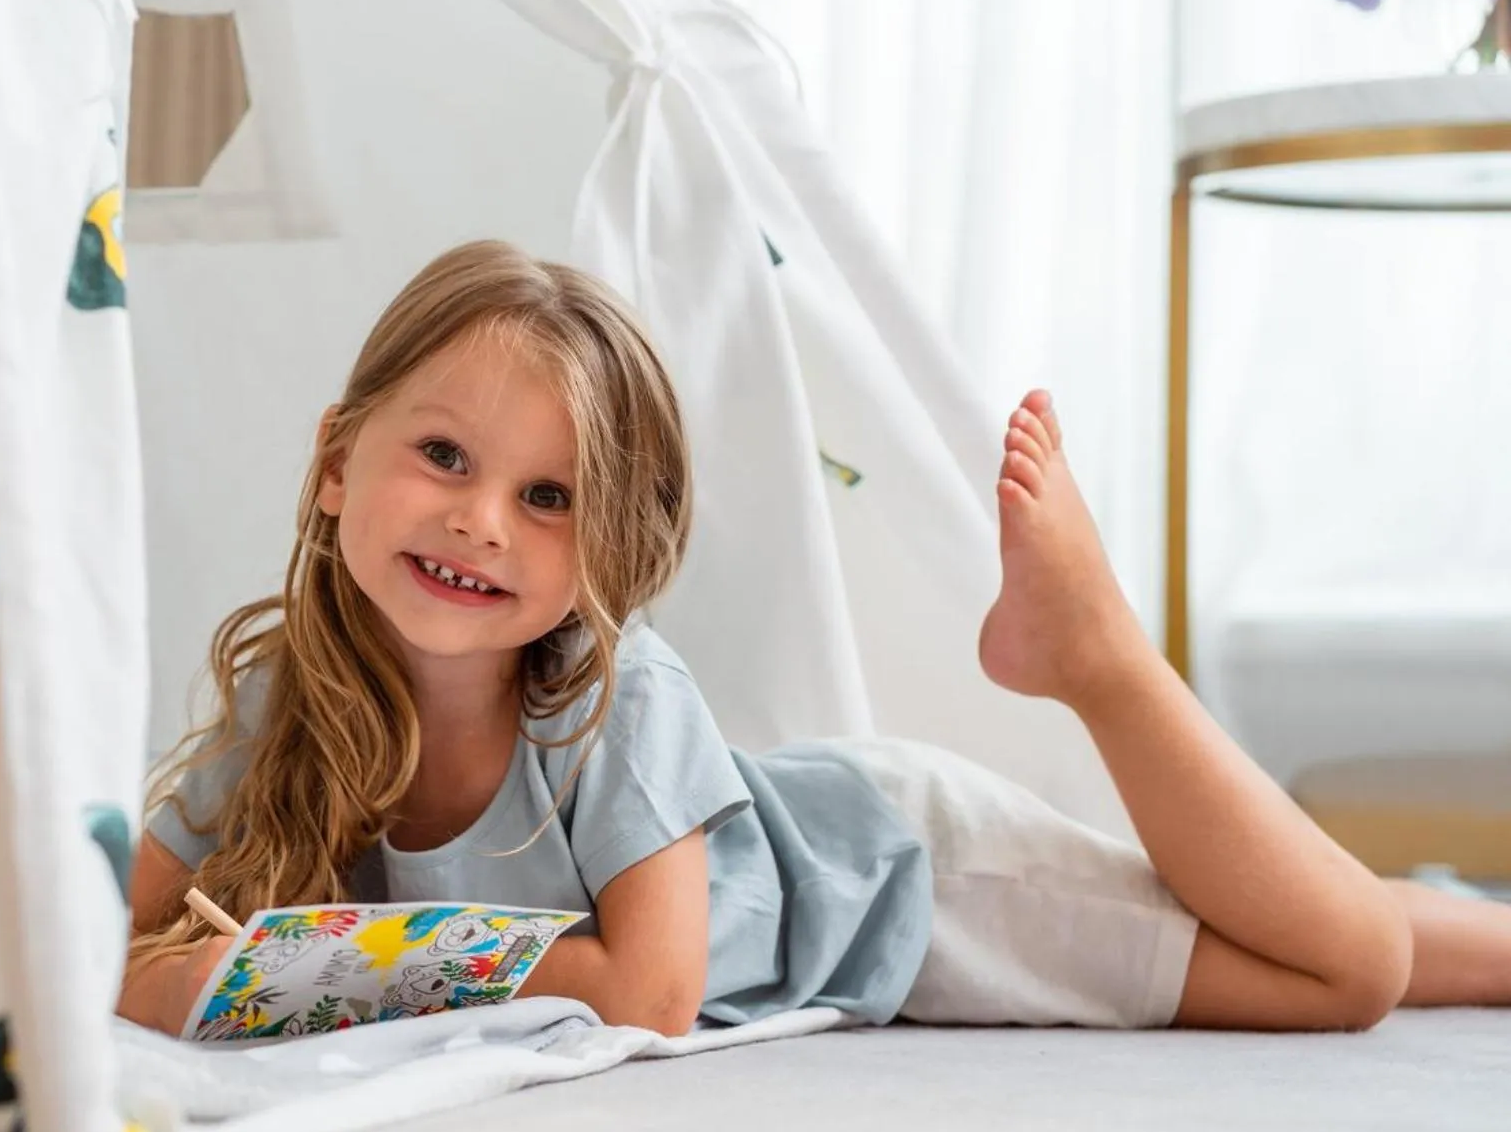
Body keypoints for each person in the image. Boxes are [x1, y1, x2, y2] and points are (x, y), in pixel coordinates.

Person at [118, 239, 1511, 1038]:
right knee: (1287, 923)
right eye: (442, 456)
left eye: (552, 498)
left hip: (903, 881)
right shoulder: (289, 699)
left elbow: (650, 999)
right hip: (834, 870)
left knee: (1341, 973)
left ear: (610, 547)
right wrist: (192, 973)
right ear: (335, 465)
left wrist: (321, 960)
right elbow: (110, 953)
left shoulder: (610, 695)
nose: (483, 522)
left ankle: (1097, 659)